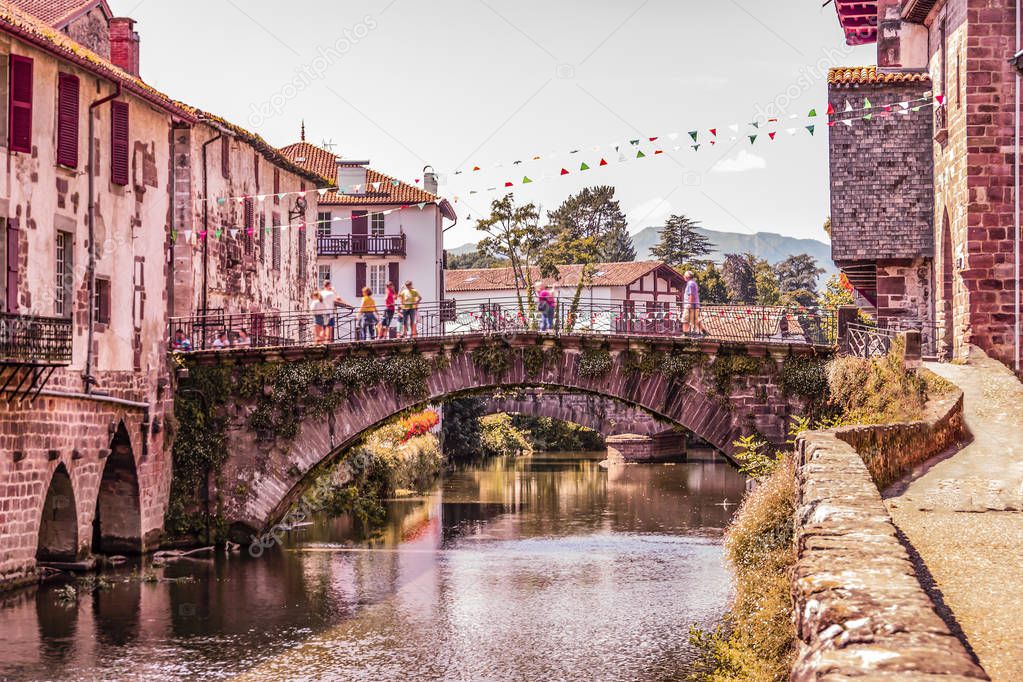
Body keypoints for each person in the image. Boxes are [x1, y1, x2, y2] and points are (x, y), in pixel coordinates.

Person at [682, 271, 706, 336]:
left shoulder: (690, 284)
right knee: (694, 320)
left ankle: (685, 334)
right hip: (695, 305)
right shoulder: (693, 283)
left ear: (686, 277)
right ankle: (704, 332)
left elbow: (691, 295)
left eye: (684, 275)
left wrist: (689, 304)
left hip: (690, 305)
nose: (683, 277)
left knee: (685, 320)